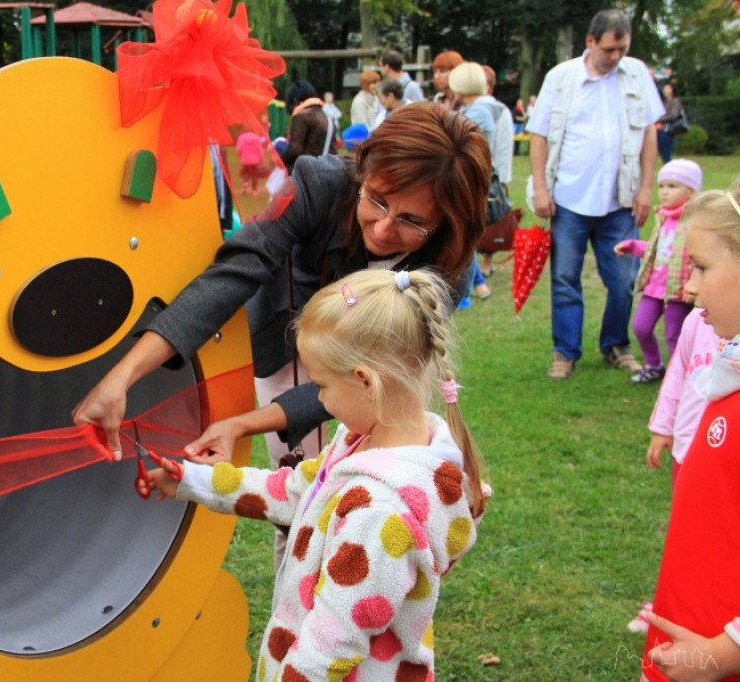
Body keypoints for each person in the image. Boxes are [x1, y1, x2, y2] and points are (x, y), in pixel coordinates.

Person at [71, 102, 491, 483]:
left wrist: (243, 424)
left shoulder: (449, 265)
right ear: (363, 171)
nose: (382, 230)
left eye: (411, 221)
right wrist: (121, 378)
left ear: (447, 221)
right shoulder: (319, 185)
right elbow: (236, 271)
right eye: (377, 200)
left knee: (374, 481)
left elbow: (368, 378)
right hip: (286, 338)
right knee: (294, 482)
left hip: (377, 379)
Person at [142, 268, 488, 682]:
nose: (319, 398)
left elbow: (332, 642)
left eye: (321, 385)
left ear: (366, 382)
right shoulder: (360, 442)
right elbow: (295, 491)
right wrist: (194, 481)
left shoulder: (381, 513)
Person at [527, 9, 664, 380]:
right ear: (590, 42)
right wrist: (540, 188)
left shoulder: (636, 73)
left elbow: (649, 132)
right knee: (565, 279)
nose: (616, 56)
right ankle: (565, 351)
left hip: (620, 200)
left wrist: (646, 188)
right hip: (569, 199)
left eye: (622, 48)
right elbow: (539, 134)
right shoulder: (561, 77)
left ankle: (617, 345)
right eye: (609, 49)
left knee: (623, 280)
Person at [640, 183, 740, 682]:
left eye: (700, 267)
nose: (689, 288)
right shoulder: (729, 371)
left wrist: (725, 653)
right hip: (689, 629)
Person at [614, 159, 702, 383]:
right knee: (641, 327)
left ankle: (677, 379)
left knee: (674, 335)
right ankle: (654, 366)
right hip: (654, 287)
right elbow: (657, 249)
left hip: (678, 291)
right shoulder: (663, 218)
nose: (664, 192)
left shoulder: (695, 223)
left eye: (673, 186)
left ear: (691, 192)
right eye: (661, 186)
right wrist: (632, 246)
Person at [447, 62, 493, 302]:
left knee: (463, 238)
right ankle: (476, 286)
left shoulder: (478, 113)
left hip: (468, 184)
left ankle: (468, 289)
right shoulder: (475, 109)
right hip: (468, 182)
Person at [478, 65, 514, 278]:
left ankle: (488, 258)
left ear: (490, 86)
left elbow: (504, 146)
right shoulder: (469, 106)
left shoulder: (501, 111)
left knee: (492, 216)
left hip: (493, 172)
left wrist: (502, 178)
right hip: (474, 172)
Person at [278, 80, 336, 173]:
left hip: (306, 173)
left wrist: (278, 162)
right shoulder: (327, 117)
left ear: (295, 101)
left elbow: (295, 149)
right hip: (326, 172)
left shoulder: (302, 115)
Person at [655, 82, 684, 164]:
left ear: (672, 90)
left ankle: (670, 168)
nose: (664, 91)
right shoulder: (666, 101)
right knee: (663, 154)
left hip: (667, 130)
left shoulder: (675, 101)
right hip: (661, 129)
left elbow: (673, 115)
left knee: (666, 154)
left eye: (667, 89)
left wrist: (658, 119)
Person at [234, 129, 266, 196]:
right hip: (254, 160)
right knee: (255, 175)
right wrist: (262, 160)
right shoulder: (257, 138)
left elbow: (239, 149)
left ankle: (246, 182)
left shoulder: (242, 137)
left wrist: (240, 155)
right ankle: (254, 191)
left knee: (246, 172)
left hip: (245, 159)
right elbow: (260, 150)